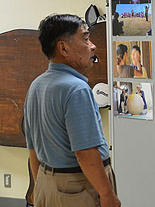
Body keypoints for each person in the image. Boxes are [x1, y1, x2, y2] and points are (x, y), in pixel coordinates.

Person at [24, 14, 121, 207]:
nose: (92, 46)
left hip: (46, 183)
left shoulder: (36, 85)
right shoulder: (76, 89)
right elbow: (85, 152)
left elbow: (33, 147)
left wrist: (42, 184)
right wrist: (107, 194)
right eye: (85, 39)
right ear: (63, 48)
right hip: (78, 188)